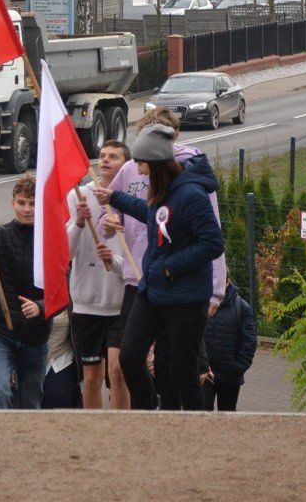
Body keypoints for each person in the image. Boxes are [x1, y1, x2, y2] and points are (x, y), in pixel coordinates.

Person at [94, 124, 225, 410]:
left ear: (157, 164)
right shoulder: (162, 190)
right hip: (153, 291)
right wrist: (114, 198)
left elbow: (213, 243)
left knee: (182, 371)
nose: (138, 172)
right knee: (129, 357)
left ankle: (194, 427)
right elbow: (152, 215)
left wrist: (170, 267)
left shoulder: (191, 195)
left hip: (186, 297)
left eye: (141, 165)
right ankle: (146, 417)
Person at [69, 141, 131, 410]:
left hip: (120, 303)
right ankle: (93, 428)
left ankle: (120, 428)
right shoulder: (79, 196)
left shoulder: (131, 198)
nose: (105, 160)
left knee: (118, 372)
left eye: (113, 157)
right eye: (102, 156)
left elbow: (136, 254)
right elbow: (66, 251)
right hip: (87, 302)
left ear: (126, 164)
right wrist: (79, 222)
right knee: (91, 377)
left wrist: (115, 261)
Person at [0, 173, 49, 409]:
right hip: (2, 333)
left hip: (36, 336)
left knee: (31, 403)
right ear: (12, 203)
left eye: (32, 203)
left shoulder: (48, 240)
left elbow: (63, 287)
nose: (27, 209)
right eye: (22, 203)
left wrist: (41, 306)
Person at [201, 281, 257, 411]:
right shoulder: (200, 303)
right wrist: (199, 365)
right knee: (202, 416)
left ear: (227, 282)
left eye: (219, 281)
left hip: (230, 376)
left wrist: (238, 368)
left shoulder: (241, 307)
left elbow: (249, 341)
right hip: (205, 374)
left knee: (227, 416)